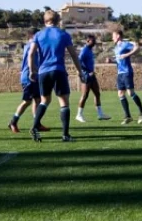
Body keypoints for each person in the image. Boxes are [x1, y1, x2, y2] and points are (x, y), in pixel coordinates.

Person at [27, 10, 83, 142]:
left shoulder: (38, 35)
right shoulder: (63, 34)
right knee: (64, 102)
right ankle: (65, 135)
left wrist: (32, 70)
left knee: (44, 101)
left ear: (45, 21)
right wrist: (80, 71)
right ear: (58, 21)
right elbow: (74, 54)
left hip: (43, 72)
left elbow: (31, 54)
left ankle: (35, 127)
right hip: (58, 70)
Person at [8, 28, 49, 133]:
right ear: (32, 35)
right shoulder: (31, 46)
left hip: (35, 76)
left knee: (38, 100)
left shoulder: (36, 46)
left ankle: (37, 123)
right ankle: (13, 121)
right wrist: (34, 71)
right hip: (29, 77)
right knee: (27, 101)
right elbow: (29, 61)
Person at [113, 30, 142, 124]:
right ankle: (128, 116)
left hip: (127, 72)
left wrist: (127, 54)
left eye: (113, 36)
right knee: (120, 93)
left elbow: (137, 48)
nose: (112, 38)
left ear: (118, 36)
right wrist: (111, 61)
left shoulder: (125, 44)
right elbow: (119, 60)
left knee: (131, 93)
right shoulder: (116, 48)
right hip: (120, 73)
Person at [76, 35, 111, 122]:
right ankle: (79, 115)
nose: (94, 42)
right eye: (93, 40)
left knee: (97, 93)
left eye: (95, 40)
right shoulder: (84, 50)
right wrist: (86, 72)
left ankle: (100, 114)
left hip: (92, 75)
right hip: (86, 76)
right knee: (85, 95)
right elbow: (78, 62)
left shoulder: (90, 51)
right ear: (87, 41)